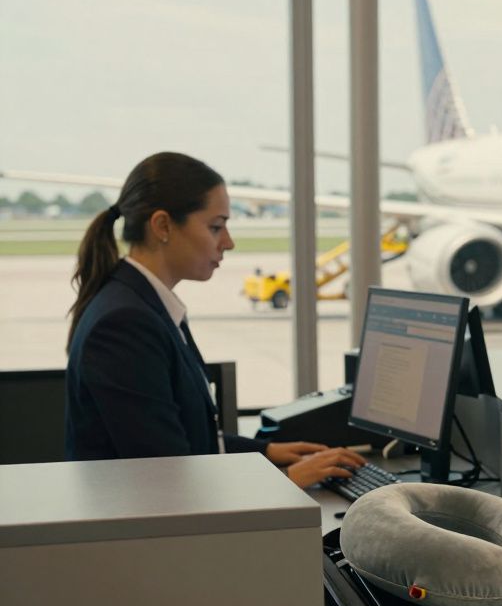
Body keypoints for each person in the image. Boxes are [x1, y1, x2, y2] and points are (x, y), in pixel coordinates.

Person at [65, 151, 365, 487]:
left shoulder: (143, 304)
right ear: (162, 226)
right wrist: (288, 480)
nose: (229, 242)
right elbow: (170, 476)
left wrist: (266, 451)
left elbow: (190, 441)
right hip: (142, 534)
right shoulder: (125, 323)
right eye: (216, 226)